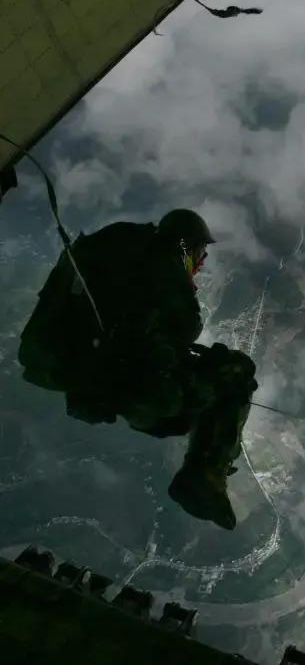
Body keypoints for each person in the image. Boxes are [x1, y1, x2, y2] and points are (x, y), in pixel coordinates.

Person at [18, 209, 257, 531]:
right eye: (200, 253)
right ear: (187, 248)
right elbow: (174, 336)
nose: (200, 263)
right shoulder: (170, 276)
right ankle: (205, 475)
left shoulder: (116, 241)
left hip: (56, 365)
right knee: (238, 371)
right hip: (123, 388)